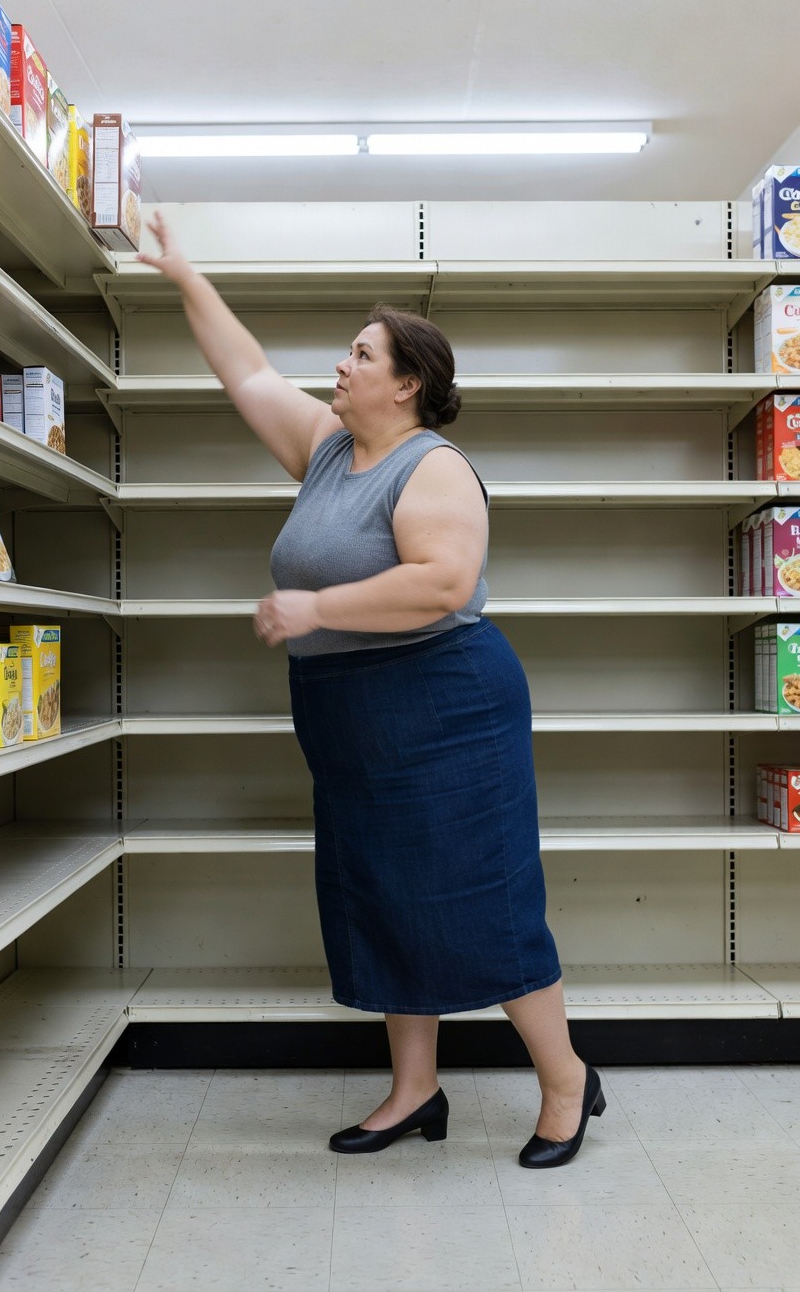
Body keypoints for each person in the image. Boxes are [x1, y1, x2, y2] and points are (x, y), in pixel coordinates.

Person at [138, 211, 605, 1168]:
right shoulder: (323, 449)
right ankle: (414, 1089)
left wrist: (316, 609)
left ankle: (567, 1083)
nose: (339, 365)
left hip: (444, 704)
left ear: (409, 385)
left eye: (361, 353)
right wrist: (184, 274)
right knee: (384, 894)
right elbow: (247, 372)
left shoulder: (431, 467)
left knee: (484, 897)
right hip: (352, 717)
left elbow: (443, 582)